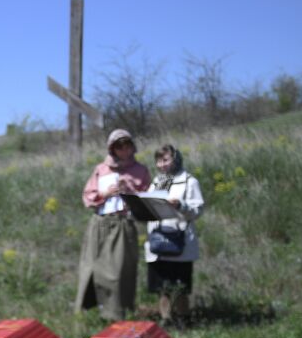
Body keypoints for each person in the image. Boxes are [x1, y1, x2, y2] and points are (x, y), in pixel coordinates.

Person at [76, 129, 151, 321]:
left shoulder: (140, 171)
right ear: (112, 149)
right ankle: (90, 312)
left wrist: (129, 192)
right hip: (100, 222)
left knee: (117, 272)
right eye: (119, 146)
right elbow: (88, 197)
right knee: (92, 268)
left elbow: (147, 202)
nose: (124, 150)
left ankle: (116, 313)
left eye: (127, 146)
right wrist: (105, 194)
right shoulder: (101, 169)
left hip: (122, 223)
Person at [144, 143, 205, 326]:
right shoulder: (156, 182)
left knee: (180, 285)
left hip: (180, 241)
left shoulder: (189, 182)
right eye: (158, 161)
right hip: (158, 241)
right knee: (162, 287)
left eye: (166, 159)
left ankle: (183, 320)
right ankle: (166, 320)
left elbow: (197, 210)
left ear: (176, 159)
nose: (162, 164)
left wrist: (180, 205)